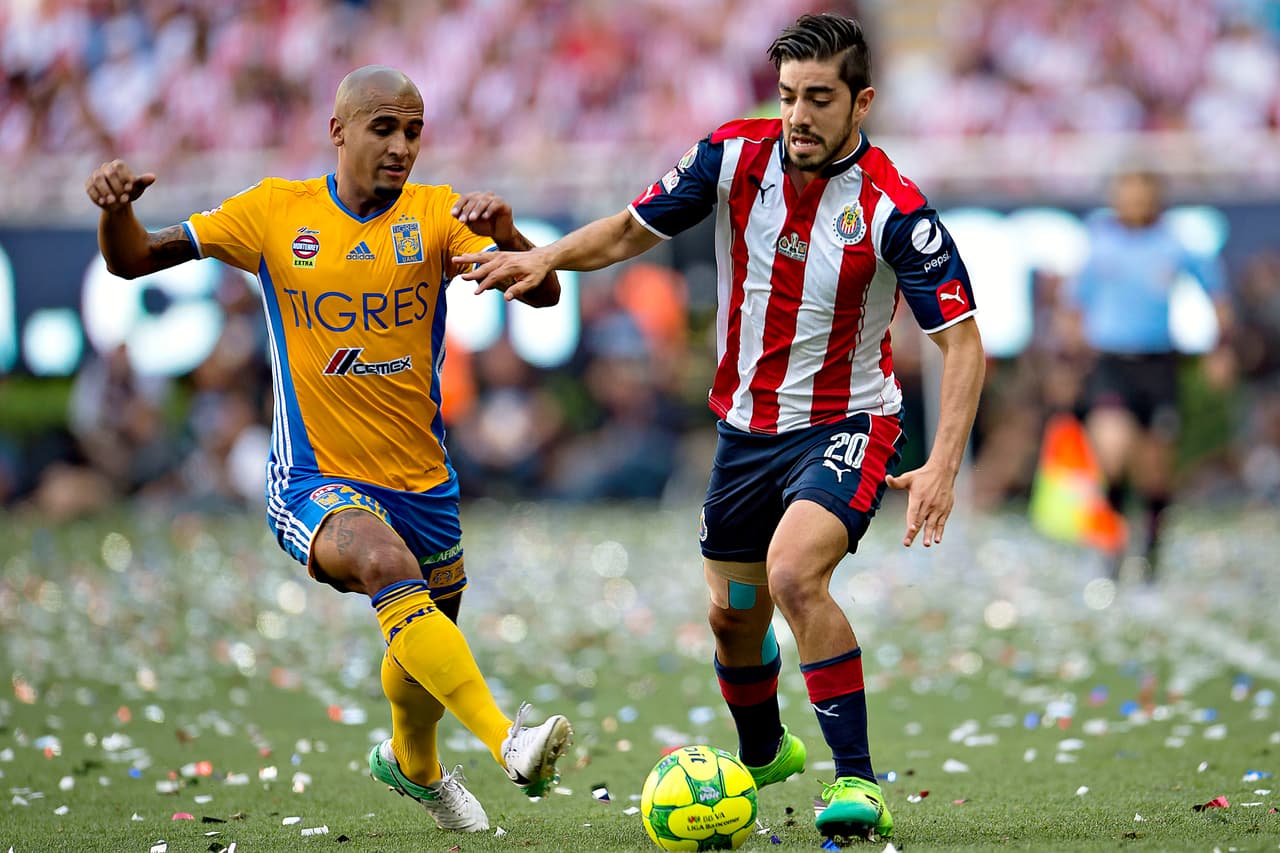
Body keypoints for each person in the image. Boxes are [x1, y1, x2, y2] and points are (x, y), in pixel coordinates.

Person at [456, 14, 985, 842]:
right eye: (787, 98)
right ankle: (765, 750)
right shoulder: (733, 155)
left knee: (793, 575)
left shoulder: (894, 208)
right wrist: (546, 257)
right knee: (732, 614)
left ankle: (858, 784)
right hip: (745, 432)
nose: (798, 116)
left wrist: (945, 461)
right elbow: (633, 228)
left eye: (819, 98)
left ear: (862, 102)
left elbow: (962, 341)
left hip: (848, 422)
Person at [85, 65, 572, 834]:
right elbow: (132, 259)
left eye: (414, 130)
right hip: (313, 476)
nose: (402, 146)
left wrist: (509, 235)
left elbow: (541, 294)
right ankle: (509, 740)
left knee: (421, 631)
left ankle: (415, 765)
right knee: (387, 568)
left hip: (424, 481)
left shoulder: (439, 215)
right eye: (384, 127)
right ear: (337, 129)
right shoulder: (275, 212)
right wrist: (116, 211)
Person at [1065, 167, 1233, 582]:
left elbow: (1216, 297)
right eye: (1127, 193)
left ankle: (1151, 551)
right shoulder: (1099, 243)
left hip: (1159, 363)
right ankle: (1114, 544)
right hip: (1111, 363)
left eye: (1143, 194)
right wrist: (1069, 356)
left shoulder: (1174, 244)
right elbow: (1074, 305)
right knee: (1112, 450)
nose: (1135, 202)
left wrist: (1219, 349)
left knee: (1155, 468)